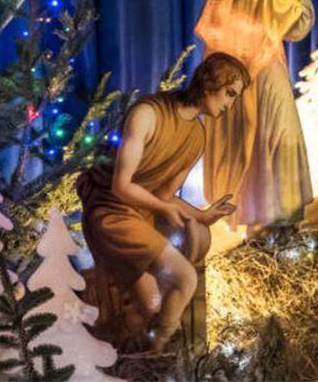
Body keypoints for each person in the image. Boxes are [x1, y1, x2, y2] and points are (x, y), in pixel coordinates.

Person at [77, 53, 248, 352]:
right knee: (184, 278)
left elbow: (165, 196)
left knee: (151, 305)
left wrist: (203, 216)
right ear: (211, 82)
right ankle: (159, 352)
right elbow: (121, 185)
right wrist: (163, 209)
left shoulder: (197, 137)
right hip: (110, 213)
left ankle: (122, 352)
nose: (229, 105)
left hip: (139, 216)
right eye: (229, 93)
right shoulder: (148, 113)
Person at [193, 0, 318, 226]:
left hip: (239, 58)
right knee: (280, 131)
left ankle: (264, 216)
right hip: (258, 59)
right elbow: (292, 23)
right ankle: (279, 215)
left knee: (257, 133)